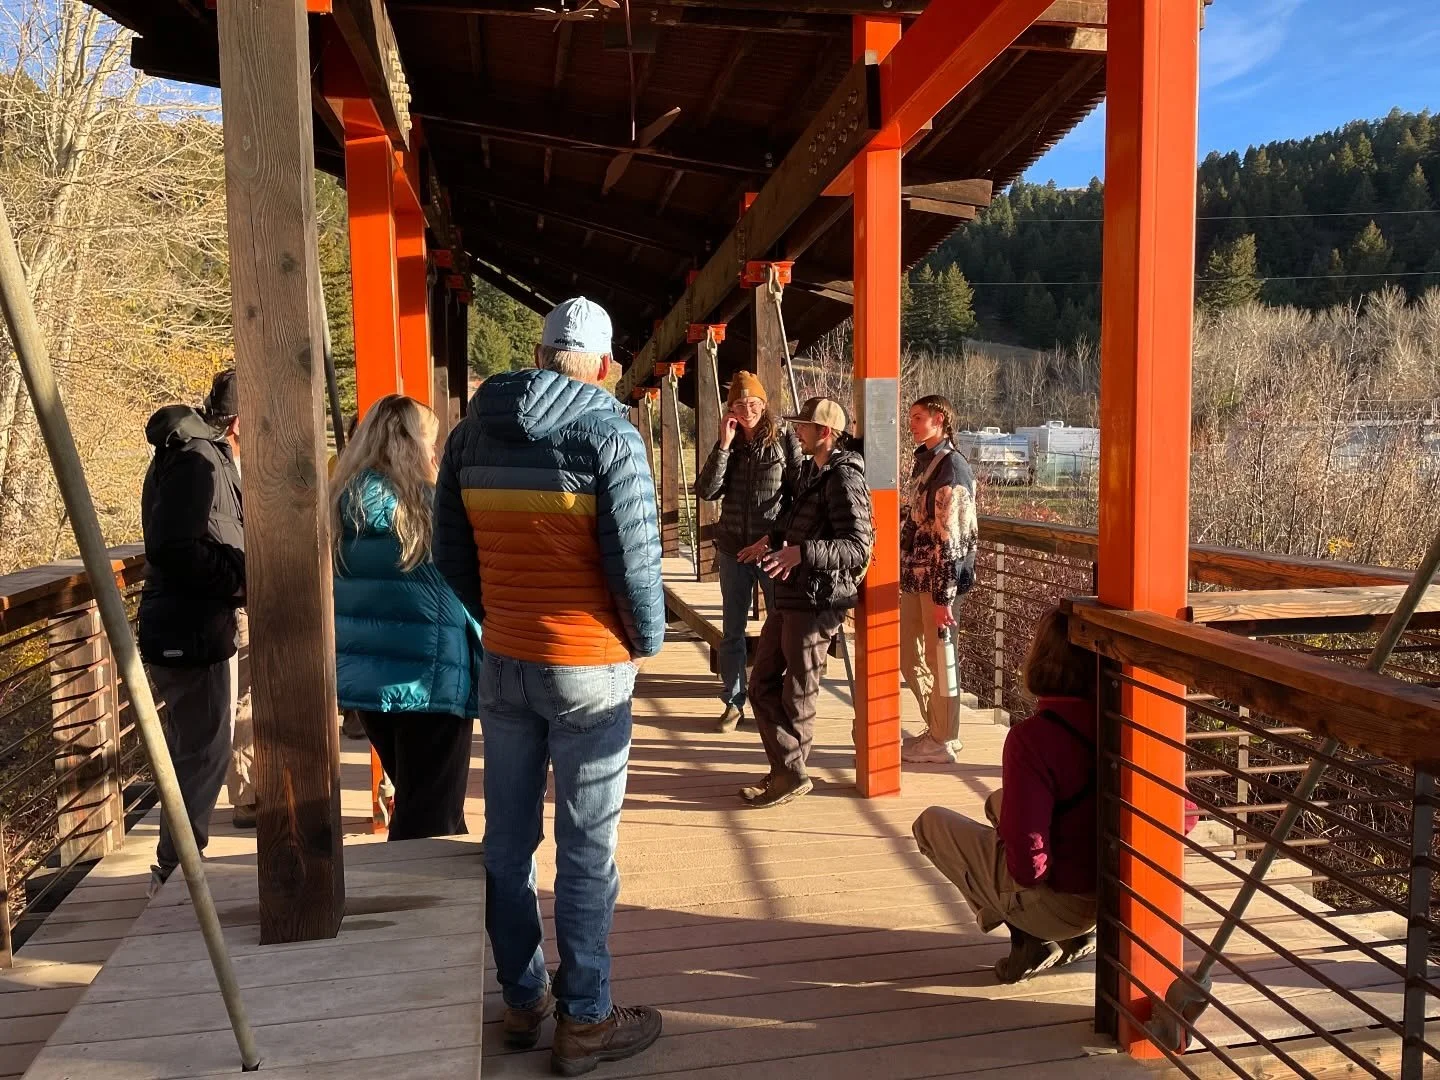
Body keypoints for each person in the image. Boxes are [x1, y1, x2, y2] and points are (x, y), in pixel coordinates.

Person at [433, 296, 666, 1075]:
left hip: (504, 661)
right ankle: (587, 1021)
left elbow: (449, 555)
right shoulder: (611, 436)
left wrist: (497, 616)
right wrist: (646, 642)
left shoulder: (469, 435)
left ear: (537, 356)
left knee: (506, 844)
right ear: (604, 367)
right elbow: (636, 566)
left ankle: (522, 1000)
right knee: (587, 850)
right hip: (590, 669)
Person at [911, 607, 1098, 983]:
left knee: (930, 824)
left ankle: (1030, 937)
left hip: (1063, 906)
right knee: (996, 803)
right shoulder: (1129, 724)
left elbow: (1029, 869)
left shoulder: (1032, 739)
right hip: (1118, 901)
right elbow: (1187, 815)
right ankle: (1074, 937)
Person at [331, 395, 480, 841]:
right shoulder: (428, 507)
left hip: (368, 684)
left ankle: (459, 904)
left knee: (429, 804)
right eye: (429, 442)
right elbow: (465, 588)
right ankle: (418, 906)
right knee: (428, 821)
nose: (434, 453)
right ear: (412, 445)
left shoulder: (341, 506)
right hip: (430, 681)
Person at [735, 397, 874, 810]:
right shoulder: (814, 471)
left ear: (825, 433)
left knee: (798, 694)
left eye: (805, 426)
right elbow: (799, 521)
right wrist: (774, 539)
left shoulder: (843, 478)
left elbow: (857, 545)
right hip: (793, 593)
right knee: (761, 684)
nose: (797, 431)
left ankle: (789, 774)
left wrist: (802, 553)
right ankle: (788, 769)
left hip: (816, 600)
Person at [137, 369, 246, 896]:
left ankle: (176, 863)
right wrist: (238, 580)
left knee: (193, 747)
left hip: (187, 622)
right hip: (192, 626)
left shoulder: (188, 456)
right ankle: (177, 869)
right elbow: (173, 548)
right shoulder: (199, 464)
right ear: (243, 421)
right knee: (204, 751)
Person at [695, 371, 804, 732]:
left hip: (771, 550)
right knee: (732, 630)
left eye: (753, 403)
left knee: (781, 627)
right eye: (739, 405)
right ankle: (733, 701)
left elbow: (799, 497)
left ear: (764, 404)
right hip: (732, 550)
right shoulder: (731, 443)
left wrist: (772, 540)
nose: (747, 410)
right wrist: (723, 445)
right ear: (731, 410)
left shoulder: (784, 439)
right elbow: (707, 490)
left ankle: (773, 699)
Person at [899, 395, 979, 766]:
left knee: (938, 657)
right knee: (912, 655)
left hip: (936, 583)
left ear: (940, 419)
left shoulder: (951, 469)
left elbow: (953, 537)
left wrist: (944, 596)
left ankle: (942, 737)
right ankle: (939, 728)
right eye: (911, 417)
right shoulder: (928, 463)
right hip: (918, 578)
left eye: (918, 417)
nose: (911, 423)